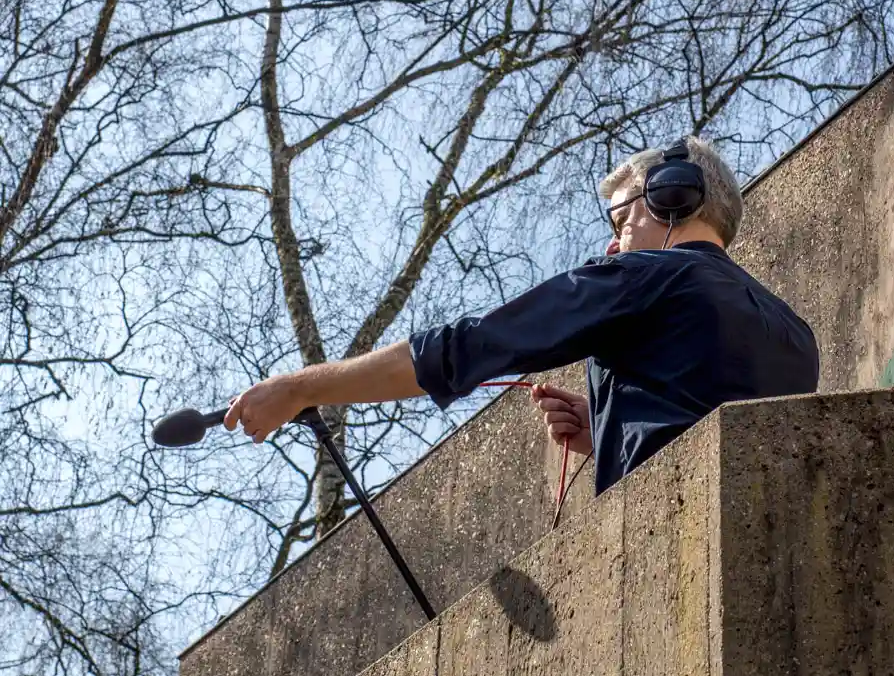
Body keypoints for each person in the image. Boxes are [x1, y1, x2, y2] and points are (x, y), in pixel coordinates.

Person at [224, 137, 820, 495]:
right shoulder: (798, 335)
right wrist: (611, 430)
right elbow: (709, 426)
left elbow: (466, 348)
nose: (614, 246)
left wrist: (301, 387)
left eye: (620, 222)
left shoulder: (646, 276)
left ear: (672, 197)